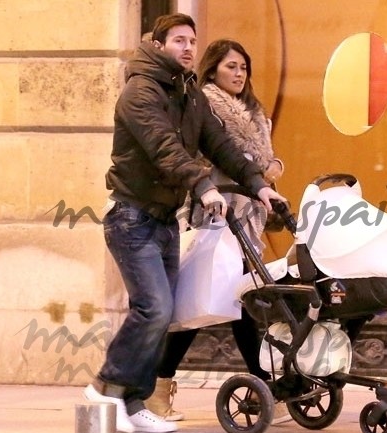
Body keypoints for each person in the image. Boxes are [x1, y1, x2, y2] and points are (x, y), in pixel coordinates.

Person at [82, 15, 285, 433]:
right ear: (158, 45)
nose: (189, 47)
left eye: (193, 40)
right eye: (179, 40)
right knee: (153, 307)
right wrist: (204, 185)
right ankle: (107, 388)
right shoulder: (140, 92)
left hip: (162, 222)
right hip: (131, 217)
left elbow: (222, 145)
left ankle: (134, 401)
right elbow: (165, 148)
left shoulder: (190, 95)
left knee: (165, 311)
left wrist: (257, 185)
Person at [144, 39, 291, 425]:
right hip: (216, 213)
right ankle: (259, 386)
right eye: (231, 66)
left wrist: (267, 170)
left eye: (244, 67)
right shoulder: (204, 103)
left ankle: (162, 386)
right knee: (223, 301)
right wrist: (260, 170)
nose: (239, 73)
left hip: (245, 215)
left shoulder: (254, 111)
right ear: (213, 70)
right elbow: (211, 155)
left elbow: (259, 159)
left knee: (223, 300)